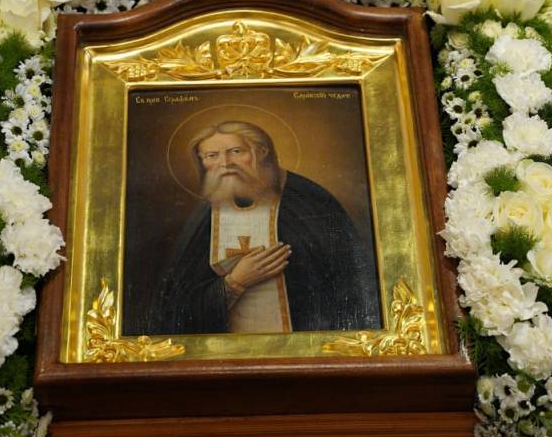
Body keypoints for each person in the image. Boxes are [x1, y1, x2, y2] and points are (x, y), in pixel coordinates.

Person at [147, 120, 382, 335]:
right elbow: (176, 308)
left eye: (236, 152)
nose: (225, 163)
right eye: (211, 156)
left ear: (261, 151)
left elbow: (346, 288)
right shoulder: (204, 215)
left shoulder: (308, 200)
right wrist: (235, 283)